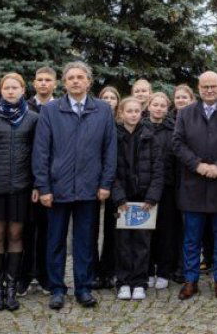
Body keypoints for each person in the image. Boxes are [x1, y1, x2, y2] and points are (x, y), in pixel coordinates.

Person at [32, 62, 117, 309]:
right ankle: (57, 288)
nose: (76, 81)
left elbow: (109, 150)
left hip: (90, 189)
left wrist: (105, 183)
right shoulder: (50, 110)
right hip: (57, 189)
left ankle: (83, 287)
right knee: (55, 241)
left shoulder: (102, 110)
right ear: (64, 82)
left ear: (89, 82)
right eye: (71, 77)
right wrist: (44, 187)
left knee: (85, 242)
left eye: (81, 77)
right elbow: (41, 152)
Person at [172, 71, 217, 300]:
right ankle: (190, 280)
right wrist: (198, 165)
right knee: (191, 238)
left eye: (214, 86)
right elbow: (177, 143)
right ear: (199, 87)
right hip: (193, 185)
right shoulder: (185, 113)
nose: (210, 90)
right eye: (205, 86)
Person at [0, 73, 39, 311]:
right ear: (1, 90)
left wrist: (37, 184)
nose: (11, 91)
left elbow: (39, 153)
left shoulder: (33, 119)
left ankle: (12, 288)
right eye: (7, 87)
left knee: (15, 236)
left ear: (23, 90)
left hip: (21, 187)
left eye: (15, 87)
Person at [113, 97, 165, 301]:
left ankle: (140, 282)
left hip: (144, 200)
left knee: (143, 243)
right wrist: (118, 197)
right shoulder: (114, 137)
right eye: (129, 111)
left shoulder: (150, 136)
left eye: (136, 111)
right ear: (121, 113)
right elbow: (111, 170)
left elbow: (158, 170)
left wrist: (152, 197)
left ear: (141, 113)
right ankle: (124, 282)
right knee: (123, 243)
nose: (133, 114)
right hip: (123, 200)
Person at [19, 67, 56, 296]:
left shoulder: (59, 107)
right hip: (26, 179)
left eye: (48, 80)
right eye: (40, 80)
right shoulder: (23, 107)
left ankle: (44, 276)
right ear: (34, 84)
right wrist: (34, 182)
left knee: (47, 231)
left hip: (52, 179)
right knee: (25, 231)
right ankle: (24, 275)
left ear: (55, 84)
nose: (43, 83)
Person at [146, 92, 181, 287]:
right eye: (155, 104)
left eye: (162, 105)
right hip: (146, 188)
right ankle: (148, 269)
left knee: (167, 232)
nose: (158, 108)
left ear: (167, 109)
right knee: (148, 230)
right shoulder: (141, 128)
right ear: (149, 106)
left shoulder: (174, 130)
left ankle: (164, 271)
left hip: (168, 187)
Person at [94, 84, 123, 289]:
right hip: (95, 181)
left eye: (113, 98)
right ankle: (95, 272)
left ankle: (111, 270)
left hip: (117, 182)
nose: (109, 101)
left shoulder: (122, 123)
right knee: (91, 230)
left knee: (113, 230)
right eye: (105, 97)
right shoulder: (95, 121)